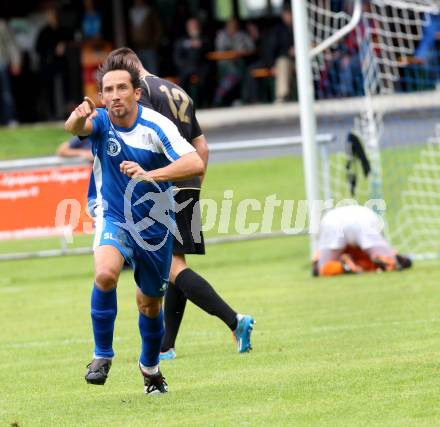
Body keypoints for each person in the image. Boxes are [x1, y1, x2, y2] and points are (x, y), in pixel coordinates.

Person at [64, 56, 204, 394]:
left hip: (155, 225)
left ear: (137, 93)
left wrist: (150, 174)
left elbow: (195, 162)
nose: (114, 95)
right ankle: (101, 355)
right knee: (105, 273)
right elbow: (74, 129)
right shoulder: (99, 121)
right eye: (107, 90)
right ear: (101, 96)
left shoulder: (156, 126)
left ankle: (150, 368)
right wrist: (76, 118)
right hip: (113, 215)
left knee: (149, 304)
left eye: (121, 88)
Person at [105, 48, 255, 360]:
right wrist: (194, 186)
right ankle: (166, 345)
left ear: (131, 72)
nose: (118, 91)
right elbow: (201, 146)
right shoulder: (176, 90)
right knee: (174, 265)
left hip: (161, 185)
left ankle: (235, 320)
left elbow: (141, 139)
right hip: (186, 181)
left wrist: (150, 180)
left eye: (122, 81)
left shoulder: (142, 93)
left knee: (171, 267)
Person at [313, 205, 412, 276]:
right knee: (388, 262)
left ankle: (344, 267)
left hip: (332, 221)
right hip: (364, 218)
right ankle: (391, 260)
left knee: (323, 269)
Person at [0, 18, 21, 126]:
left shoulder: (2, 25)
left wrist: (16, 62)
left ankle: (10, 119)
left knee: (6, 93)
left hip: (1, 63)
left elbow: (11, 45)